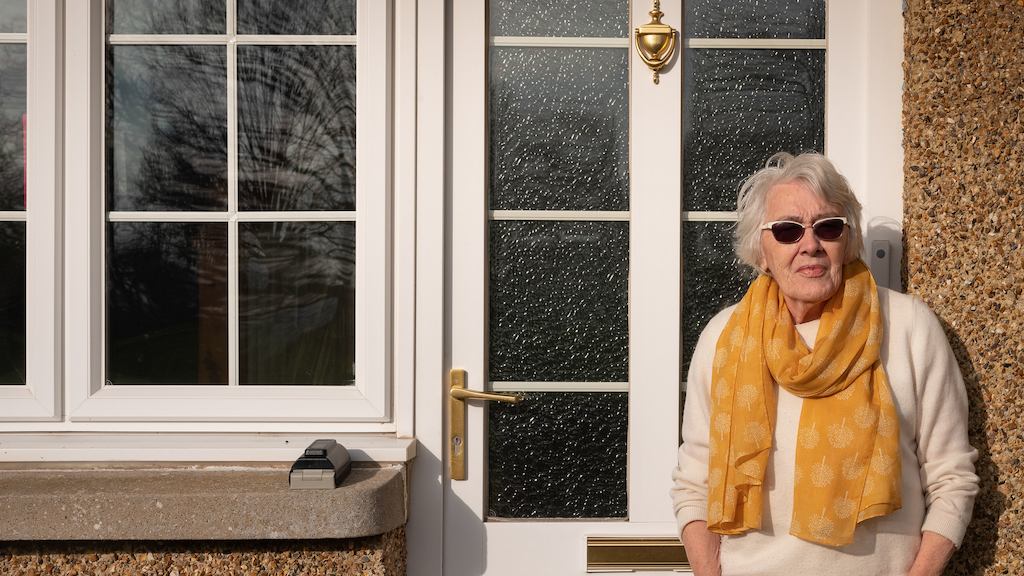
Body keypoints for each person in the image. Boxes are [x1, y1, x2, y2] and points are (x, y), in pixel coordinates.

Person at [671, 152, 978, 576]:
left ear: (847, 241)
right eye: (787, 230)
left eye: (828, 227)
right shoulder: (723, 338)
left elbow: (952, 479)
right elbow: (694, 483)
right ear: (761, 251)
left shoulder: (909, 328)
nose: (810, 245)